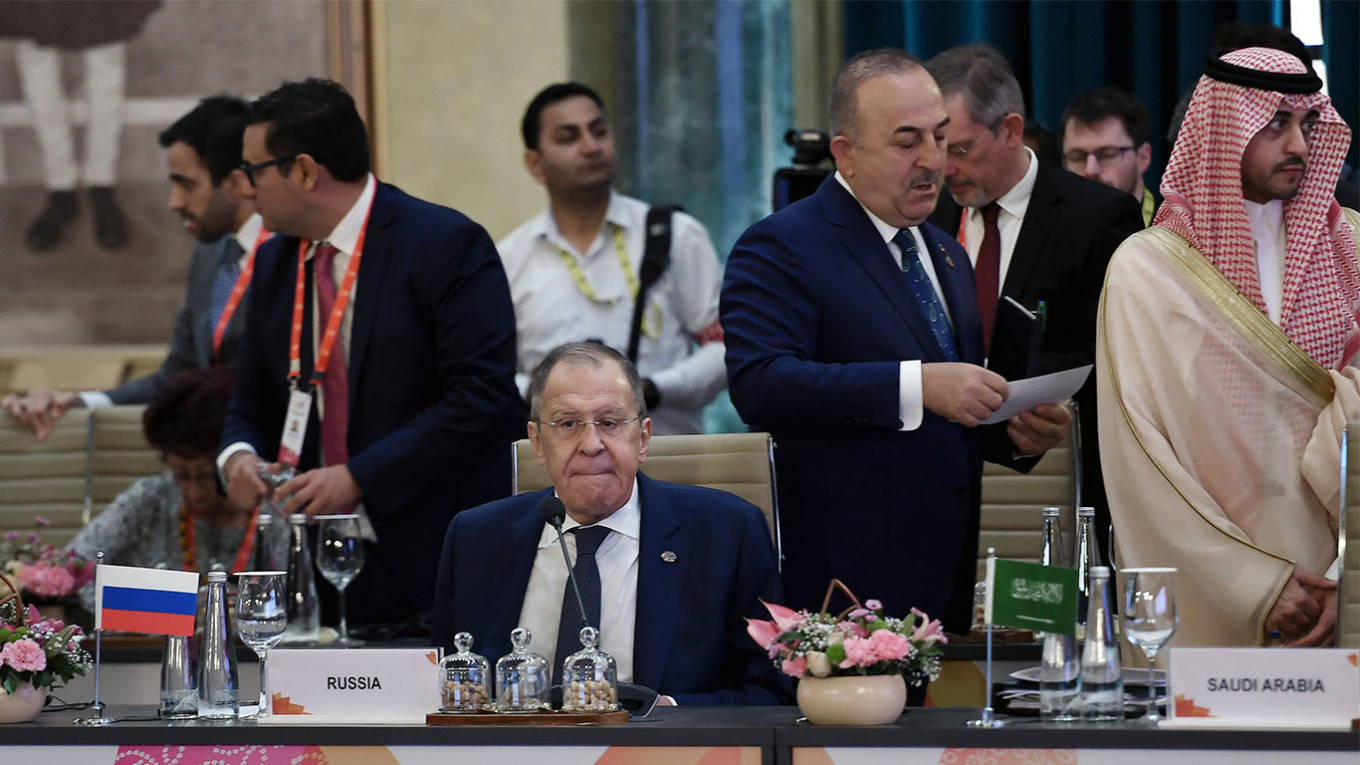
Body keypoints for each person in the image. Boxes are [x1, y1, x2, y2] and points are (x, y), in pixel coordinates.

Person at [721, 48, 1070, 641]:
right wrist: (918, 383)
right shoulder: (782, 245)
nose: (934, 160)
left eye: (941, 136)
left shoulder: (946, 252)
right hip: (843, 582)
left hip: (946, 571)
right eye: (908, 142)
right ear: (846, 154)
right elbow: (762, 383)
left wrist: (1013, 429)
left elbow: (946, 415)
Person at [218, 79, 524, 627]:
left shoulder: (443, 244)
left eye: (253, 170)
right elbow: (249, 403)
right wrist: (237, 457)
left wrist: (359, 476)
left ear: (304, 172)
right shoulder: (274, 263)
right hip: (322, 559)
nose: (243, 188)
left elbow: (482, 396)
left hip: (437, 544)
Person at [1098, 47, 1356, 647]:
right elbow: (1140, 455)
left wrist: (1348, 574)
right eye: (1275, 123)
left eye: (1308, 124)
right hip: (1209, 587)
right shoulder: (1148, 272)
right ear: (1223, 130)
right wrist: (1253, 585)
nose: (1298, 145)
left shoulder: (1349, 250)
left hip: (1338, 576)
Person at [432, 341, 790, 705]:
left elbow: (768, 695)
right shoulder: (476, 538)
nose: (591, 444)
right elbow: (444, 691)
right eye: (568, 423)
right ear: (537, 442)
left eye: (609, 423)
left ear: (643, 438)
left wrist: (665, 714)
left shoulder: (727, 533)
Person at [925, 45, 1144, 566]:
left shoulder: (1097, 215)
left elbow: (1114, 353)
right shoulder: (926, 216)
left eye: (960, 149)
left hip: (1059, 474)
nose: (945, 169)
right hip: (940, 476)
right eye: (936, 148)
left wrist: (1035, 398)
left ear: (1011, 130)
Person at [3, 95, 263, 441]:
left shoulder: (293, 255)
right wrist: (79, 402)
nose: (174, 202)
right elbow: (176, 377)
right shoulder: (209, 256)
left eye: (186, 184)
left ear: (235, 183)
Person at [498, 83, 726, 434]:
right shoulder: (509, 259)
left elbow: (724, 347)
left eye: (599, 131)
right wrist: (535, 390)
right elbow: (488, 373)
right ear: (535, 164)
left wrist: (653, 388)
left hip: (668, 455)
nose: (591, 147)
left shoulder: (674, 235)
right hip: (557, 463)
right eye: (569, 137)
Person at [69, 367, 253, 608]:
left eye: (207, 476)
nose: (194, 493)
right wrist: (146, 609)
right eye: (181, 475)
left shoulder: (272, 509)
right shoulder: (151, 496)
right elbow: (67, 574)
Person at [1060, 86, 1158, 226]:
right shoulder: (1050, 229)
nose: (1090, 170)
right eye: (1077, 157)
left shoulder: (1175, 233)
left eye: (1107, 154)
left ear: (1143, 157)